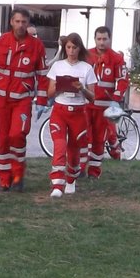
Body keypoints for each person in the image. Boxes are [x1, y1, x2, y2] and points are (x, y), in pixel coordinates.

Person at [0, 9, 48, 192]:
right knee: (3, 138)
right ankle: (4, 178)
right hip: (2, 99)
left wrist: (42, 99)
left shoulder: (36, 46)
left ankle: (18, 174)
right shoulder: (1, 42)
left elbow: (42, 76)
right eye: (17, 21)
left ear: (28, 24)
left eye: (24, 22)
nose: (21, 25)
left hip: (22, 99)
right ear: (12, 21)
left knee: (17, 135)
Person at [43, 33, 98, 198]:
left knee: (74, 150)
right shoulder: (58, 66)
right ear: (64, 48)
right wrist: (60, 87)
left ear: (79, 48)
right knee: (59, 145)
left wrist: (81, 88)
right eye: (68, 47)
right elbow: (49, 92)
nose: (71, 51)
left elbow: (92, 96)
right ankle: (57, 184)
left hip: (79, 112)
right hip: (60, 110)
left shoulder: (87, 68)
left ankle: (71, 179)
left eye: (74, 47)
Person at [85, 26, 130, 177]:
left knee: (98, 140)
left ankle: (94, 172)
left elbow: (123, 81)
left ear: (110, 39)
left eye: (105, 39)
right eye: (99, 39)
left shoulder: (116, 58)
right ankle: (78, 168)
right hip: (86, 105)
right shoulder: (87, 55)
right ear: (95, 39)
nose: (102, 42)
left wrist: (115, 99)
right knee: (84, 137)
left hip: (104, 108)